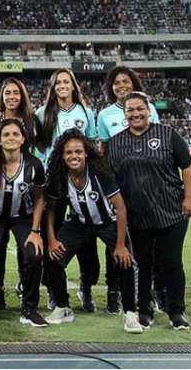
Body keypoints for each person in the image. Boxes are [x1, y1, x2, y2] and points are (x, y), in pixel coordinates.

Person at [108, 92, 191, 330]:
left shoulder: (168, 134)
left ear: (148, 110)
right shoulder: (115, 143)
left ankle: (176, 311)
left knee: (171, 262)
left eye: (139, 109)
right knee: (143, 264)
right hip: (137, 216)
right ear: (124, 114)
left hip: (171, 212)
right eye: (130, 110)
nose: (135, 114)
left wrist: (188, 198)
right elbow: (111, 179)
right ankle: (144, 310)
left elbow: (187, 167)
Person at [44, 129, 142, 334]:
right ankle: (62, 307)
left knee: (124, 260)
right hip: (80, 222)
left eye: (78, 151)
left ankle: (131, 313)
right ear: (62, 155)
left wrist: (121, 244)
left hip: (109, 222)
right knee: (52, 258)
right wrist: (52, 240)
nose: (74, 156)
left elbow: (120, 207)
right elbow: (51, 209)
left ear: (86, 153)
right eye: (69, 152)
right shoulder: (59, 175)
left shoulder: (99, 172)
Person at [97, 67, 161, 314]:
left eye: (125, 81)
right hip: (119, 184)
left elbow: (158, 141)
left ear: (133, 82)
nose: (121, 85)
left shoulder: (149, 108)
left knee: (148, 241)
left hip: (147, 184)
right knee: (116, 237)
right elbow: (104, 150)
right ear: (111, 87)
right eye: (116, 82)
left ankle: (153, 291)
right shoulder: (104, 115)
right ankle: (114, 292)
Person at [36, 68, 100, 313]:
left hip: (80, 181)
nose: (62, 85)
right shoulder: (43, 114)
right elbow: (39, 148)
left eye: (66, 81)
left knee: (86, 234)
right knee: (49, 232)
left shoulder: (86, 113)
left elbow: (93, 146)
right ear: (52, 88)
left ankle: (86, 286)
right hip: (53, 182)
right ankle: (54, 290)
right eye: (57, 82)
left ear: (73, 86)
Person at [0, 119, 47, 329]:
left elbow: (39, 198)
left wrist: (35, 231)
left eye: (15, 134)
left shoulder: (34, 165)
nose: (11, 138)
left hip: (23, 218)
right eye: (6, 134)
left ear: (23, 139)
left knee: (33, 254)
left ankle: (29, 307)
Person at [0, 77, 43, 308]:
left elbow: (42, 149)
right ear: (1, 96)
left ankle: (26, 290)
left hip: (25, 189)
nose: (11, 97)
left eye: (16, 92)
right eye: (7, 93)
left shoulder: (32, 121)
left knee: (28, 251)